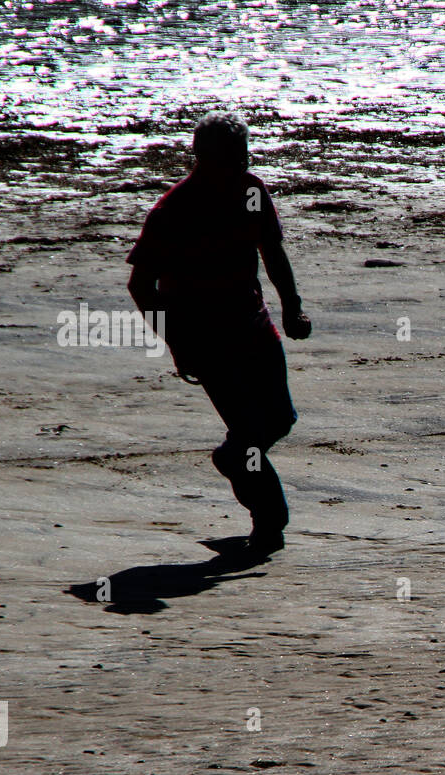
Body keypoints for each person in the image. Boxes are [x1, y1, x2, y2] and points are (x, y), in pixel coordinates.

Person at [126, 110, 311, 557]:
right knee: (248, 432)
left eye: (244, 156)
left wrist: (292, 306)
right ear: (200, 158)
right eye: (230, 158)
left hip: (254, 325)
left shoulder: (251, 192)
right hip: (206, 341)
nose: (240, 166)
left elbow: (271, 249)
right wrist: (176, 344)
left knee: (279, 420)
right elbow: (140, 284)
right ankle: (269, 523)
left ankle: (234, 462)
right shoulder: (174, 210)